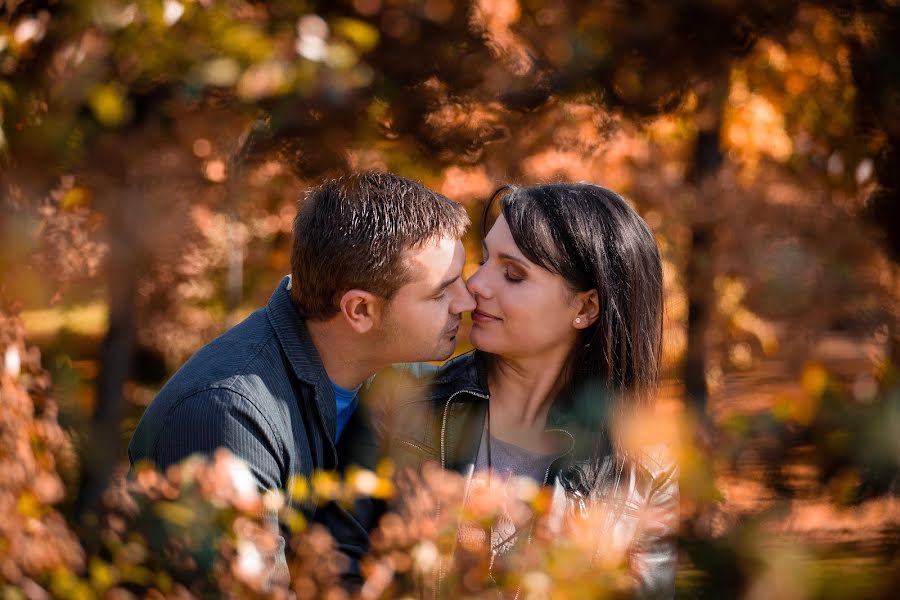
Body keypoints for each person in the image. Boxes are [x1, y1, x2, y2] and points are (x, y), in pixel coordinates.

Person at [128, 171, 476, 586]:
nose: (467, 301)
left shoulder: (390, 374)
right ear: (360, 310)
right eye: (441, 292)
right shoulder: (226, 415)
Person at [382, 183, 678, 599]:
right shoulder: (410, 406)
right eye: (484, 260)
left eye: (513, 274)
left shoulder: (644, 468)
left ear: (586, 308)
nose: (475, 285)